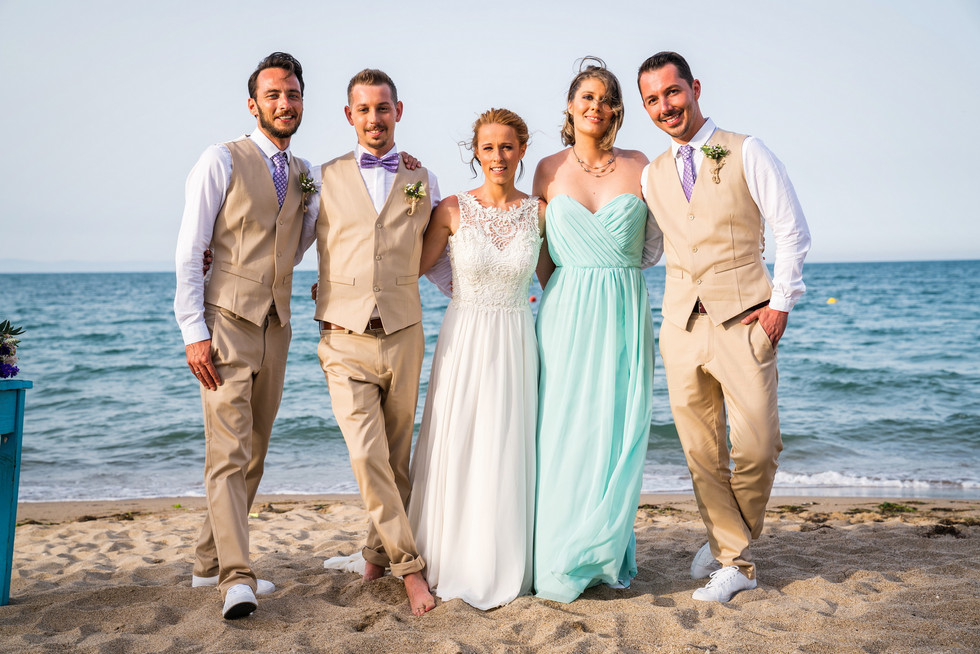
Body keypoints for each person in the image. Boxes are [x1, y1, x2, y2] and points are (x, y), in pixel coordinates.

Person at [637, 51, 811, 602]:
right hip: (681, 327)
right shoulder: (651, 175)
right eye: (652, 100)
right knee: (701, 454)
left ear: (694, 88)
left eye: (672, 92)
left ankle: (724, 540)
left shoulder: (746, 150)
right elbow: (651, 249)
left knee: (759, 446)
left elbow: (791, 229)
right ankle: (735, 560)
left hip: (745, 320)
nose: (665, 106)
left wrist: (781, 303)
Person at [174, 52, 313, 619]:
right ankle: (236, 576)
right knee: (228, 452)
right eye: (273, 94)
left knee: (253, 451)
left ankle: (207, 563)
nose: (284, 103)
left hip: (276, 326)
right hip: (225, 324)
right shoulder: (220, 159)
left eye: (293, 94)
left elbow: (297, 244)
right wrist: (193, 330)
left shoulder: (306, 173)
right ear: (253, 104)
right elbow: (191, 247)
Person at [532, 59, 660, 603]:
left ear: (617, 110)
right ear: (570, 105)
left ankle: (603, 547)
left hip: (624, 308)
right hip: (565, 312)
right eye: (586, 96)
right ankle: (556, 549)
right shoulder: (546, 169)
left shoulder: (640, 165)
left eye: (606, 98)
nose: (596, 105)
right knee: (563, 429)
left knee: (615, 428)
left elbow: (662, 240)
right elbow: (539, 254)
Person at [313, 69, 440, 616]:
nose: (374, 118)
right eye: (363, 109)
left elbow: (436, 256)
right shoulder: (320, 178)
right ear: (350, 116)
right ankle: (410, 570)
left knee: (397, 461)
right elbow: (285, 242)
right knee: (368, 456)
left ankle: (372, 556)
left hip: (404, 334)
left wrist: (490, 297)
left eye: (382, 108)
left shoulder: (423, 178)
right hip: (343, 339)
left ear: (398, 111)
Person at [407, 108, 545, 610]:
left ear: (522, 149)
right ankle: (450, 555)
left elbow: (556, 279)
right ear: (476, 153)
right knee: (460, 442)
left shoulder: (540, 212)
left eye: (507, 146)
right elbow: (409, 268)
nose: (498, 156)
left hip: (516, 341)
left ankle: (501, 559)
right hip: (464, 339)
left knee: (505, 444)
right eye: (488, 147)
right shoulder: (451, 209)